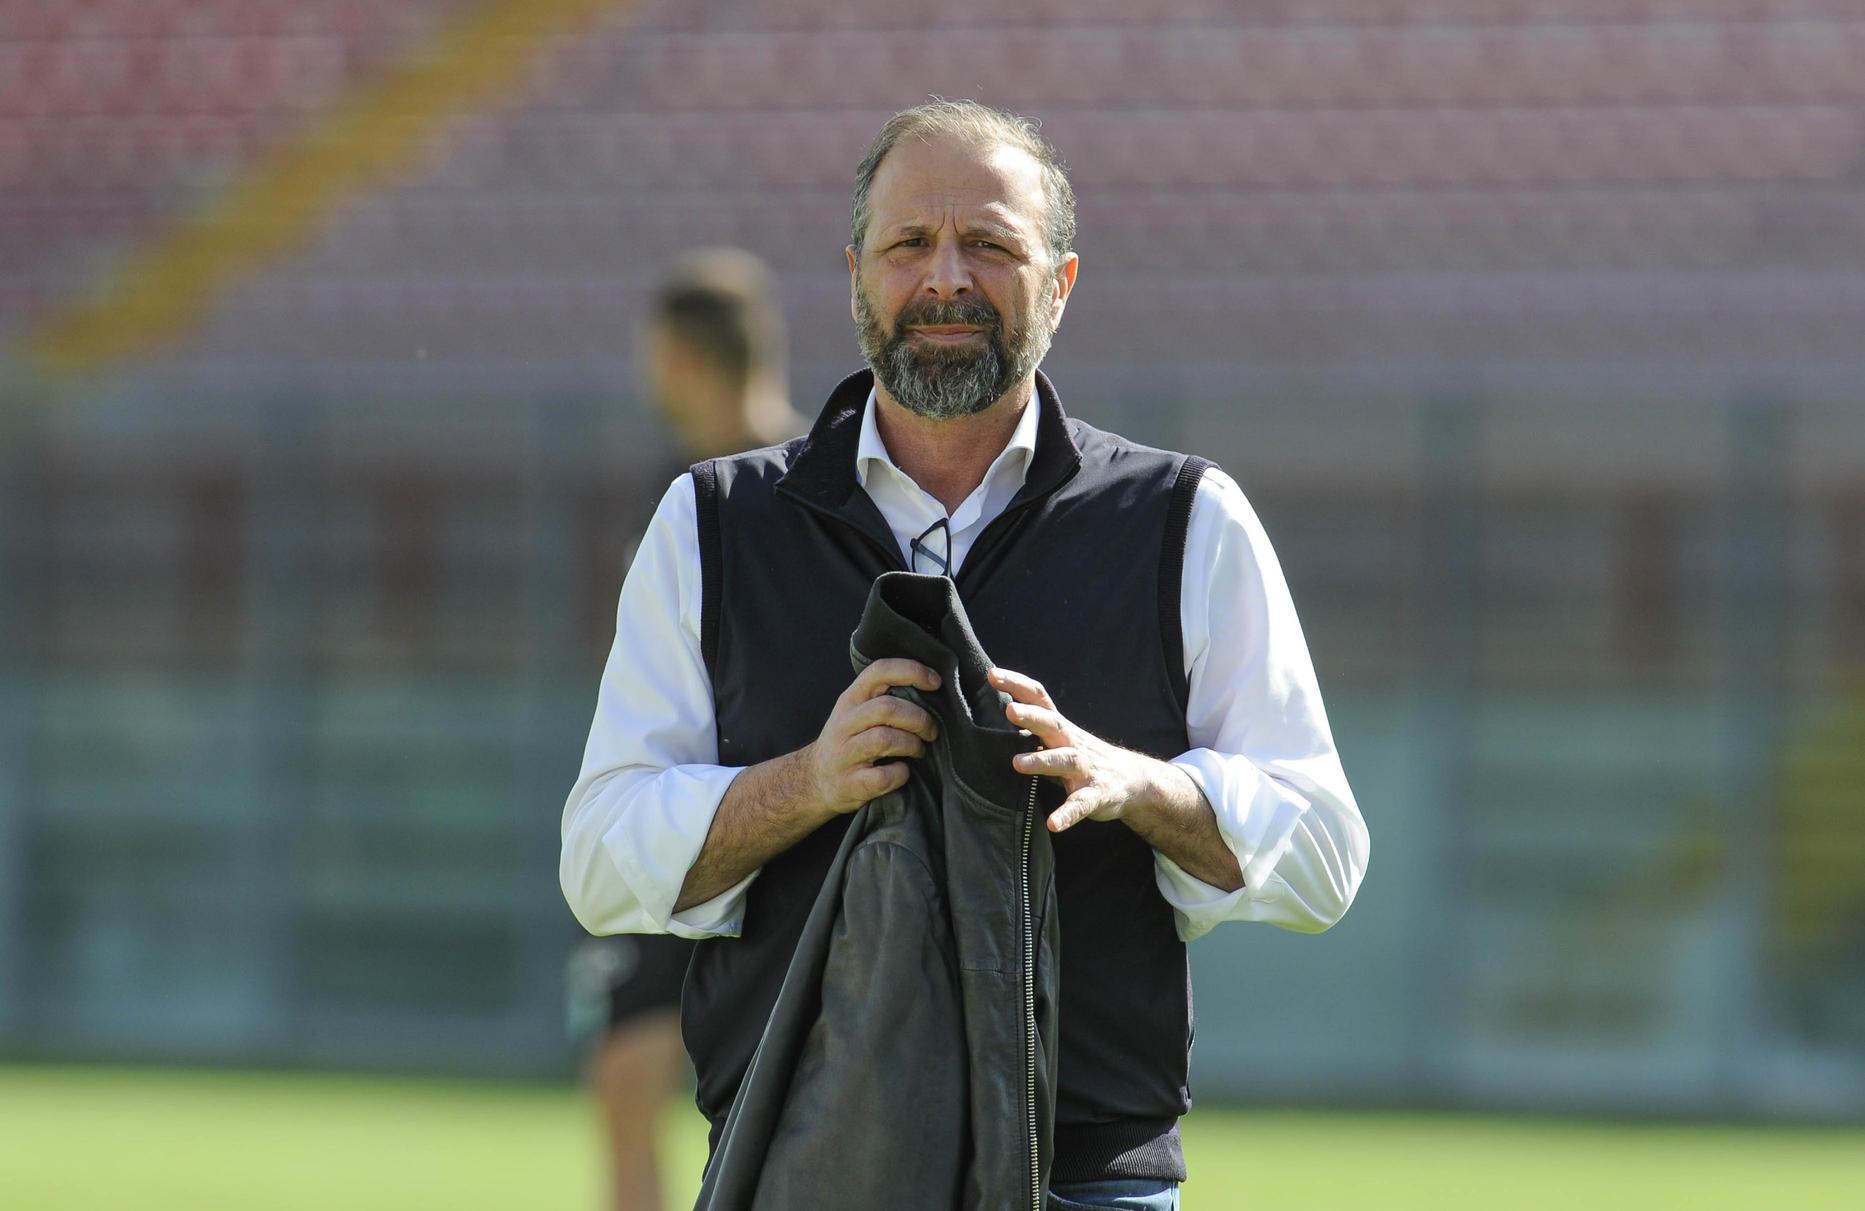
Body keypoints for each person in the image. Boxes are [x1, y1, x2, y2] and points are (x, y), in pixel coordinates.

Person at [561, 101, 1370, 1210]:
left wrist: (1139, 783)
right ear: (856, 275)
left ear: (1061, 281)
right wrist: (804, 783)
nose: (945, 278)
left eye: (989, 244)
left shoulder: (1185, 516)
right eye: (909, 245)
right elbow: (598, 860)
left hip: (1085, 1184)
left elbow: (1325, 850)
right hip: (799, 1170)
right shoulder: (708, 521)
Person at [565, 247, 803, 1211]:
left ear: (677, 355)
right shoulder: (668, 495)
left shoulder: (813, 488)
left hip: (784, 822)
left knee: (789, 1092)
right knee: (625, 1071)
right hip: (673, 823)